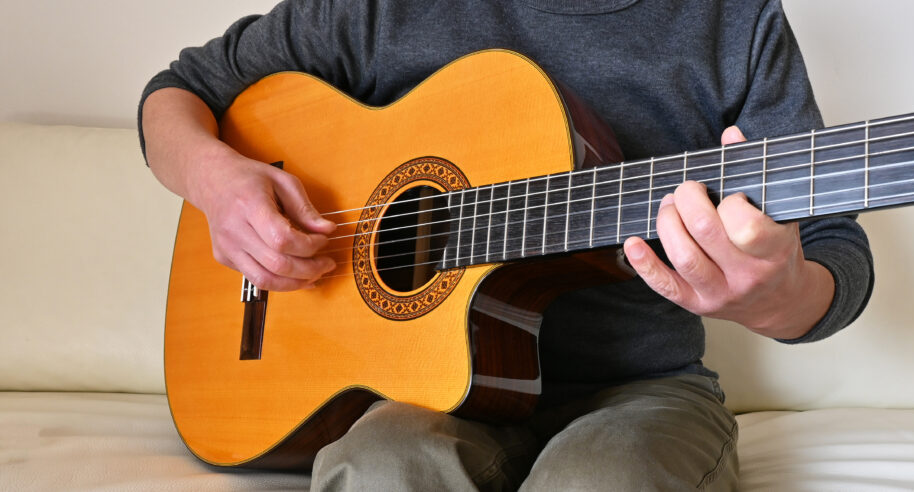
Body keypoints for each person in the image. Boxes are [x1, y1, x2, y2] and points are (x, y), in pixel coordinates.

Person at [139, 1, 874, 490]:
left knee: (601, 483)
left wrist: (775, 297)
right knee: (379, 469)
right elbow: (179, 92)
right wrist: (217, 182)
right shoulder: (377, 8)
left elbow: (833, 249)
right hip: (418, 391)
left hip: (640, 392)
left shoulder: (733, 17)